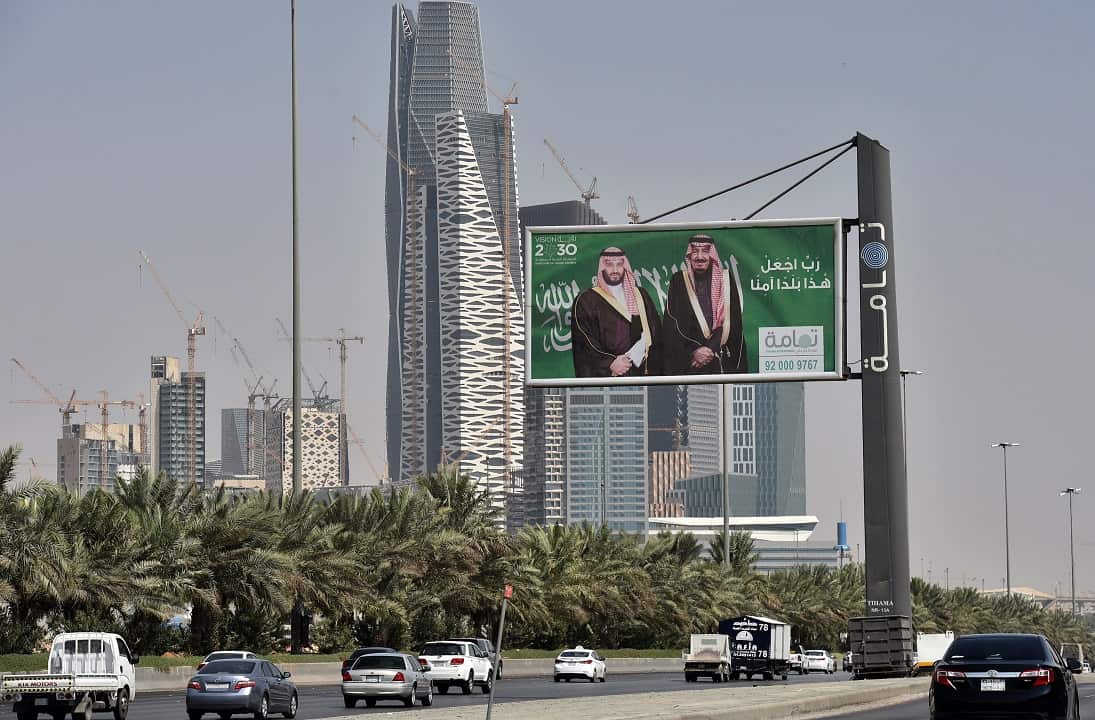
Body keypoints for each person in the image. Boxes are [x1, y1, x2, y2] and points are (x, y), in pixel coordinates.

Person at [662, 234, 747, 374]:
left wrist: (709, 349)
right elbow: (672, 325)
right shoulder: (679, 281)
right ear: (689, 255)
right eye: (695, 251)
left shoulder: (725, 280)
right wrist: (694, 352)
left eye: (705, 251)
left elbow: (733, 322)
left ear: (712, 255)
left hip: (719, 359)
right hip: (690, 364)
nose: (699, 257)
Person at [571, 246, 661, 378]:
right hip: (606, 375)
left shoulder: (640, 295)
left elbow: (654, 330)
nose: (615, 270)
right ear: (602, 267)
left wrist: (631, 357)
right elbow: (585, 339)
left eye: (619, 265)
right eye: (609, 265)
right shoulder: (586, 299)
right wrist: (610, 363)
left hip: (640, 374)